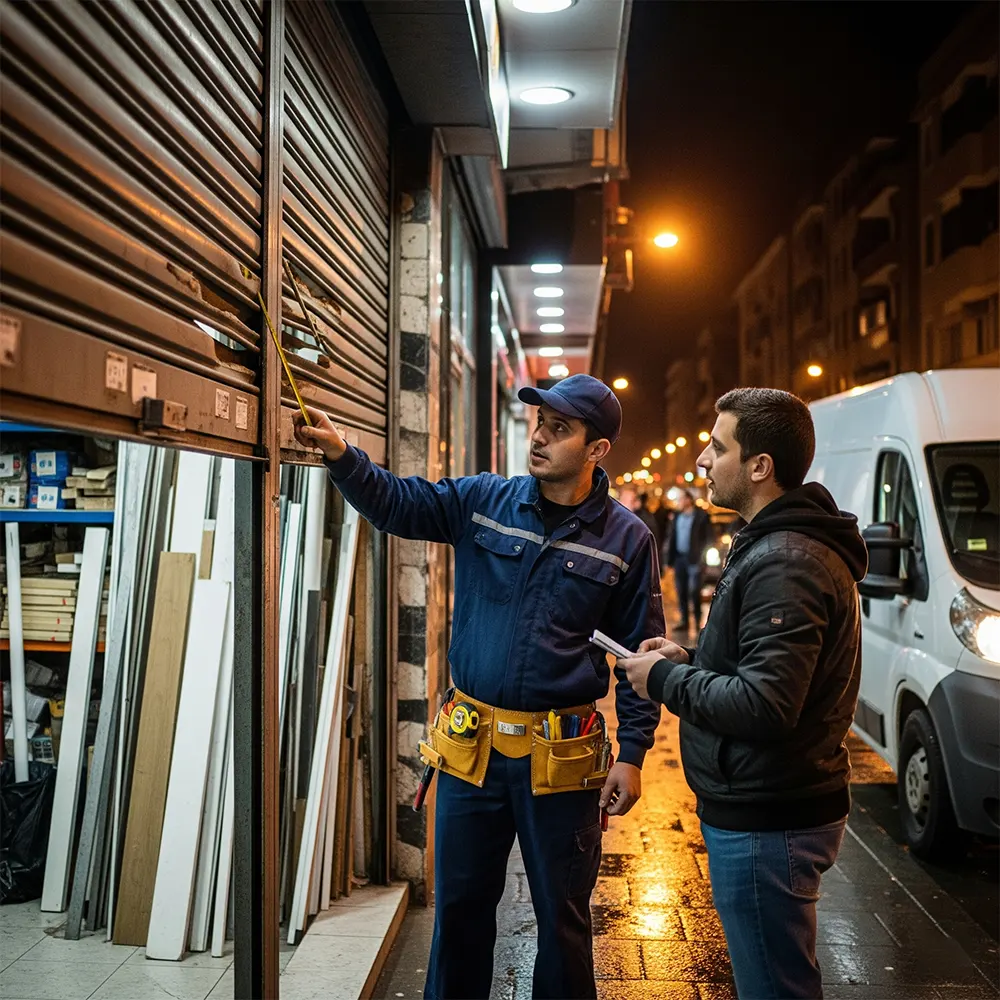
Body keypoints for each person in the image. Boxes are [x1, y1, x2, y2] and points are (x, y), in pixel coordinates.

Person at [294, 374, 662, 1000]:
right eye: (539, 422)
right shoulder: (483, 499)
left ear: (597, 449)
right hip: (472, 752)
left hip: (562, 761)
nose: (539, 436)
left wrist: (631, 754)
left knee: (563, 923)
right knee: (460, 913)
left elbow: (638, 661)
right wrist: (343, 456)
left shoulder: (627, 540)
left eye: (560, 428)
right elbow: (399, 504)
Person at [622, 388, 868, 1000]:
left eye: (717, 446)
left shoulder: (786, 559)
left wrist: (664, 681)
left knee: (774, 986)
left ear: (760, 467)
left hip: (769, 815)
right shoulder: (773, 543)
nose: (703, 460)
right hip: (765, 805)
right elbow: (758, 668)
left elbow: (766, 704)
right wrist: (690, 657)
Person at [664, 489, 710, 632]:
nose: (679, 502)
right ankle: (685, 621)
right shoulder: (676, 516)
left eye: (682, 499)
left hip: (695, 559)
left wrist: (703, 558)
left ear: (689, 500)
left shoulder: (701, 516)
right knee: (681, 590)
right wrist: (668, 560)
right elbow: (671, 537)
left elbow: (708, 538)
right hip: (679, 558)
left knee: (694, 590)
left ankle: (697, 620)